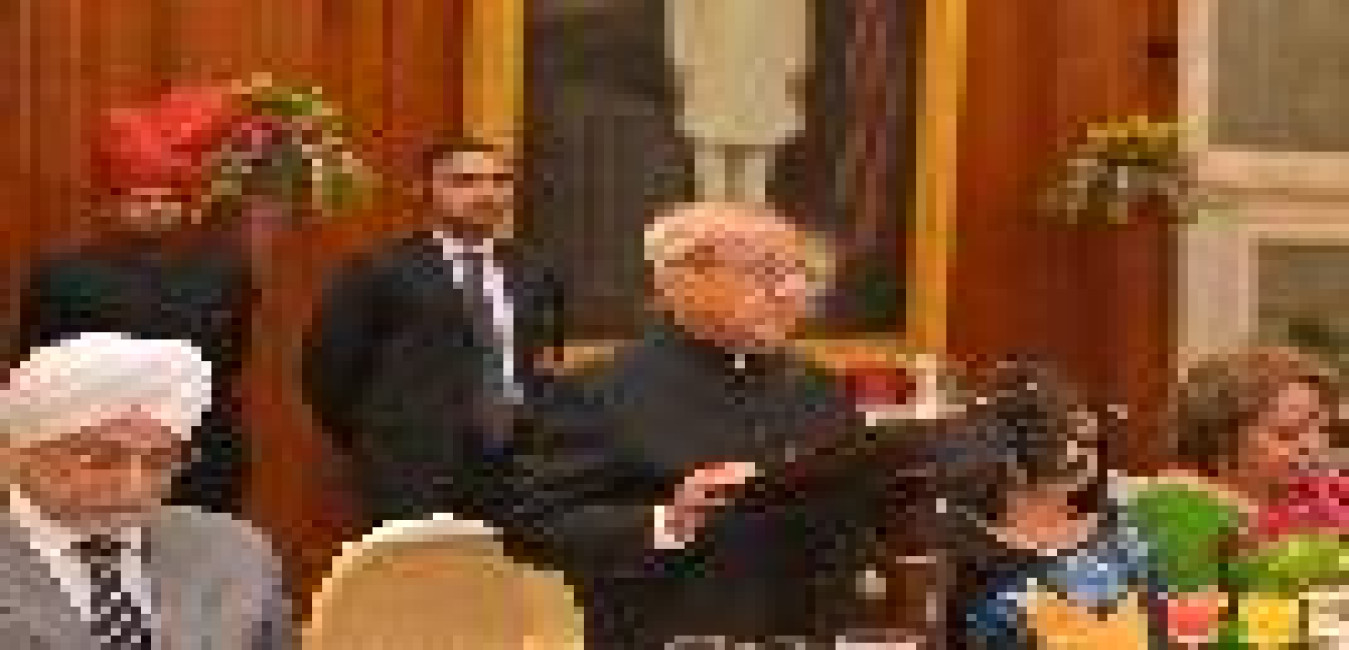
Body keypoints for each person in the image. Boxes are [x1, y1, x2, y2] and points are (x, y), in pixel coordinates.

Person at [518, 202, 899, 648]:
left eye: (801, 274)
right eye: (768, 272)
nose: (791, 293)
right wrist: (668, 520)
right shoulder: (599, 392)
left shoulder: (819, 387)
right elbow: (538, 527)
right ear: (682, 279)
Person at [302, 135, 565, 529]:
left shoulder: (534, 273)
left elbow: (544, 361)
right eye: (465, 181)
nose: (486, 194)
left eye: (500, 181)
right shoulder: (380, 270)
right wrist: (380, 439)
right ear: (423, 190)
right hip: (413, 472)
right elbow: (328, 372)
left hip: (516, 467)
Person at [16, 87, 256, 516]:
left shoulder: (225, 275)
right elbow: (37, 367)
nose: (155, 209)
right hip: (90, 456)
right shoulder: (62, 276)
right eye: (141, 198)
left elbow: (229, 361)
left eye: (168, 199)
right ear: (110, 205)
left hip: (199, 457)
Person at [0, 333, 290, 650]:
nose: (135, 486)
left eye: (159, 461)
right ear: (16, 454)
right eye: (102, 459)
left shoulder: (234, 552)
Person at [943, 357, 1166, 650]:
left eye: (1087, 442)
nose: (1079, 454)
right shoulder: (959, 550)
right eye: (1059, 440)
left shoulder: (1124, 537)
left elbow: (1159, 630)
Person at [1127, 346, 1339, 647]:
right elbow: (1191, 638)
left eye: (1322, 430)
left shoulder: (1301, 501)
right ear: (1220, 437)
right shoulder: (1175, 511)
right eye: (1288, 433)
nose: (1314, 447)